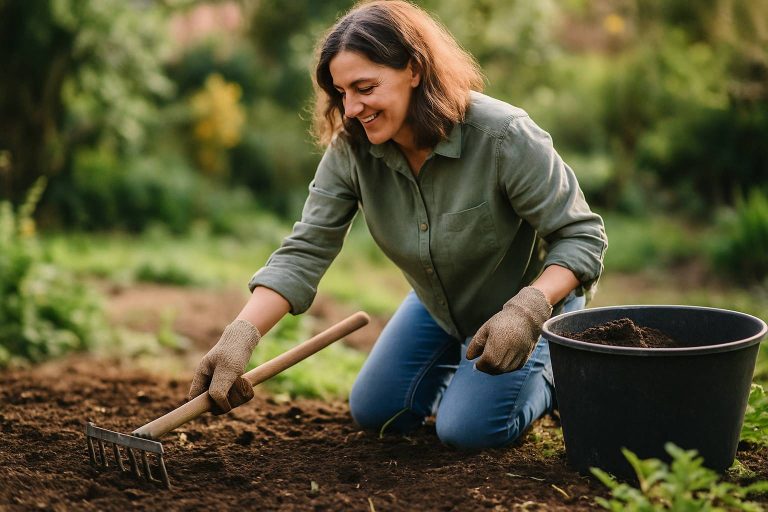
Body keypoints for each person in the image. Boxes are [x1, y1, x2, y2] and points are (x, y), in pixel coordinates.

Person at [188, 0, 607, 450]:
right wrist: (240, 334)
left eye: (365, 87)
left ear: (414, 68)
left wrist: (527, 309)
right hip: (440, 306)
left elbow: (581, 236)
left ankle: (560, 374)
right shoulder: (353, 151)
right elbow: (306, 248)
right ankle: (470, 375)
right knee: (376, 411)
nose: (350, 109)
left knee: (467, 431)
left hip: (530, 307)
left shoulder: (503, 136)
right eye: (341, 92)